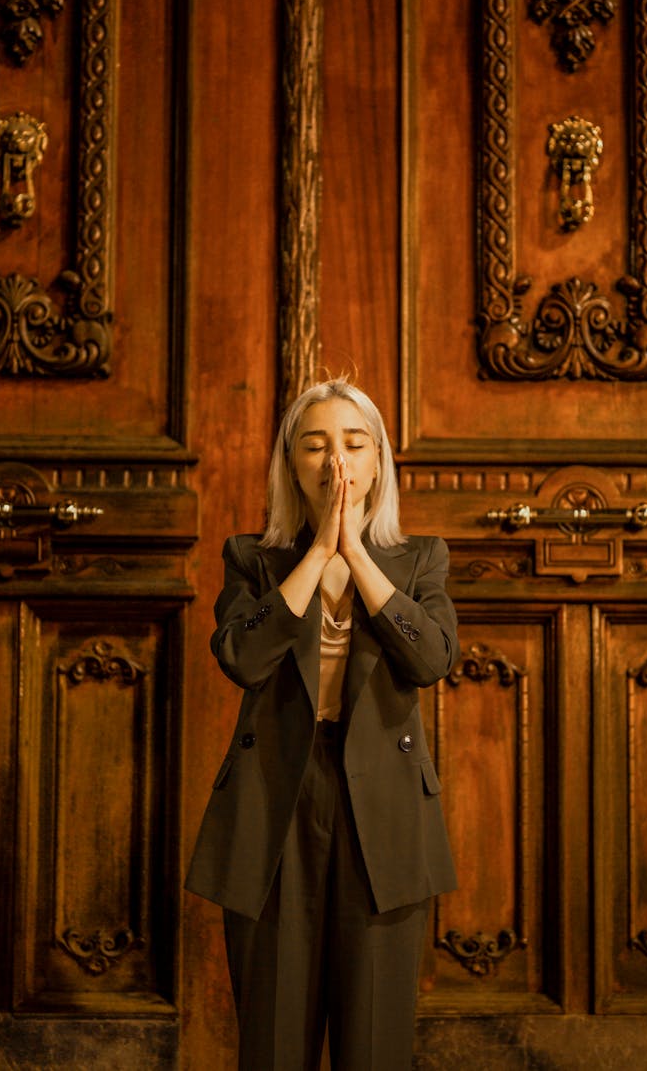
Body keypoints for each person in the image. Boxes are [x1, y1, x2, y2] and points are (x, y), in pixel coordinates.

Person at [185, 378, 460, 1071]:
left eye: (352, 442)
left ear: (375, 463)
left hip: (385, 808)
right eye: (315, 444)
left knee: (375, 1044)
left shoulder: (422, 558)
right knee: (274, 1042)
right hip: (277, 798)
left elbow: (430, 657)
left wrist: (357, 553)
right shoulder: (253, 558)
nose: (334, 459)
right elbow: (243, 658)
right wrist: (316, 554)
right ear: (291, 463)